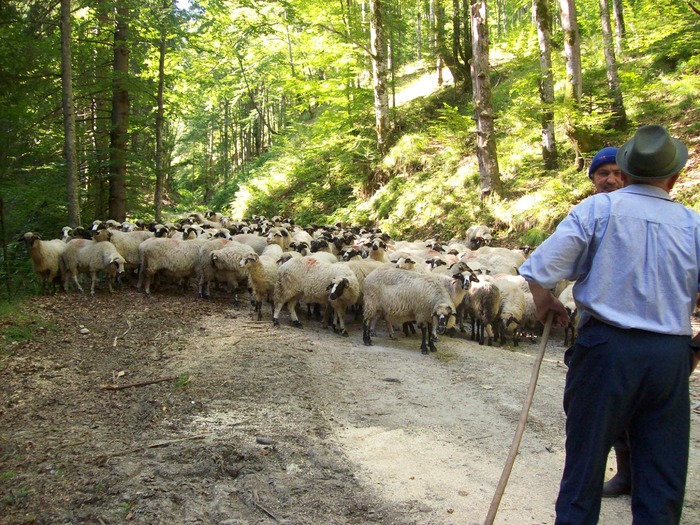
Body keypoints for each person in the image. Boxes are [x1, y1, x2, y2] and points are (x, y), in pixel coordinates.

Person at [519, 124, 700, 524]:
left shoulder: (598, 209)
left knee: (585, 462)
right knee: (662, 473)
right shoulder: (693, 225)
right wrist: (694, 350)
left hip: (605, 351)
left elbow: (542, 269)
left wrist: (543, 300)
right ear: (673, 177)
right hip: (669, 356)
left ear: (626, 172)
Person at [587, 146, 633, 497]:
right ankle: (624, 475)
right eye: (604, 173)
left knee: (648, 420)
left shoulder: (671, 219)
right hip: (604, 334)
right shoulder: (591, 214)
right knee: (606, 417)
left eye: (619, 173)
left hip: (652, 337)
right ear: (592, 180)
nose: (611, 179)